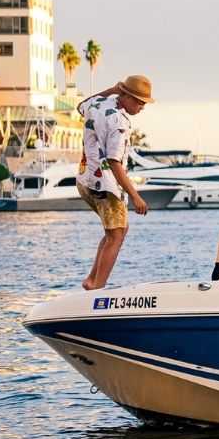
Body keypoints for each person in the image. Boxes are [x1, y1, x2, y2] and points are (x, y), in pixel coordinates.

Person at [74, 74, 155, 290]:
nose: (141, 107)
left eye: (144, 103)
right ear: (126, 96)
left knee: (115, 232)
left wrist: (110, 89)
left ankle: (92, 280)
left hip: (85, 180)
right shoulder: (120, 122)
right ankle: (96, 287)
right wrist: (136, 196)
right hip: (106, 186)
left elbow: (80, 105)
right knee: (117, 234)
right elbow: (114, 162)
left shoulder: (100, 102)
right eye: (139, 102)